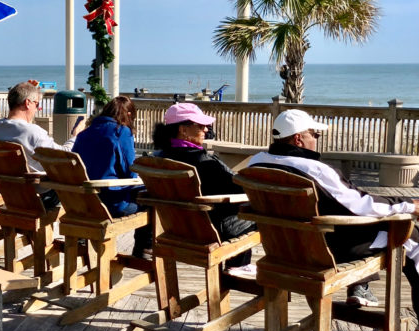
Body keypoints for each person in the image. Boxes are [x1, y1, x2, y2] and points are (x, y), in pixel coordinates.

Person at [248, 109, 419, 312]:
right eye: (315, 134)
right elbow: (360, 204)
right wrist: (408, 204)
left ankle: (359, 289)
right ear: (298, 139)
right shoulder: (315, 170)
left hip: (282, 250)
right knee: (412, 236)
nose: (317, 140)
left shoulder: (256, 163)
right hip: (325, 251)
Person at [153, 102, 255, 268]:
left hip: (176, 228)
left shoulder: (160, 158)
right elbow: (239, 187)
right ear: (183, 130)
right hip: (212, 228)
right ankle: (236, 271)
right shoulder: (203, 163)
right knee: (256, 215)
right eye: (200, 126)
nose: (206, 130)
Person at [72, 96, 151, 259]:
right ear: (129, 114)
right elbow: (130, 171)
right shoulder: (121, 132)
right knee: (152, 201)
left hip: (83, 205)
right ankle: (144, 250)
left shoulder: (83, 134)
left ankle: (82, 239)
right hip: (111, 205)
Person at [0, 81, 85, 208]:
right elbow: (64, 156)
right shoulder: (33, 132)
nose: (37, 109)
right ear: (27, 103)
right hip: (37, 196)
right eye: (37, 104)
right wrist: (76, 137)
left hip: (9, 193)